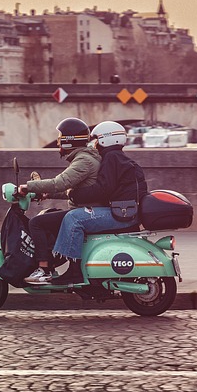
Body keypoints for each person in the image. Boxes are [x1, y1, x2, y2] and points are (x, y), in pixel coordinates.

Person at [50, 121, 147, 286]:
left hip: (122, 213)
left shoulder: (112, 158)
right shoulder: (117, 157)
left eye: (95, 140)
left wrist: (75, 195)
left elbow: (103, 189)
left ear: (105, 139)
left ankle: (74, 270)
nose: (93, 144)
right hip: (126, 211)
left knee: (74, 218)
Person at [18, 117, 101, 284]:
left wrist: (28, 187)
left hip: (85, 211)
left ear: (69, 140)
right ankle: (52, 262)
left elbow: (60, 183)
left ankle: (44, 269)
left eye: (61, 137)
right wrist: (48, 195)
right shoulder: (84, 157)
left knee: (37, 223)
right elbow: (73, 190)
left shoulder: (83, 160)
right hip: (85, 208)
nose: (58, 142)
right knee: (47, 214)